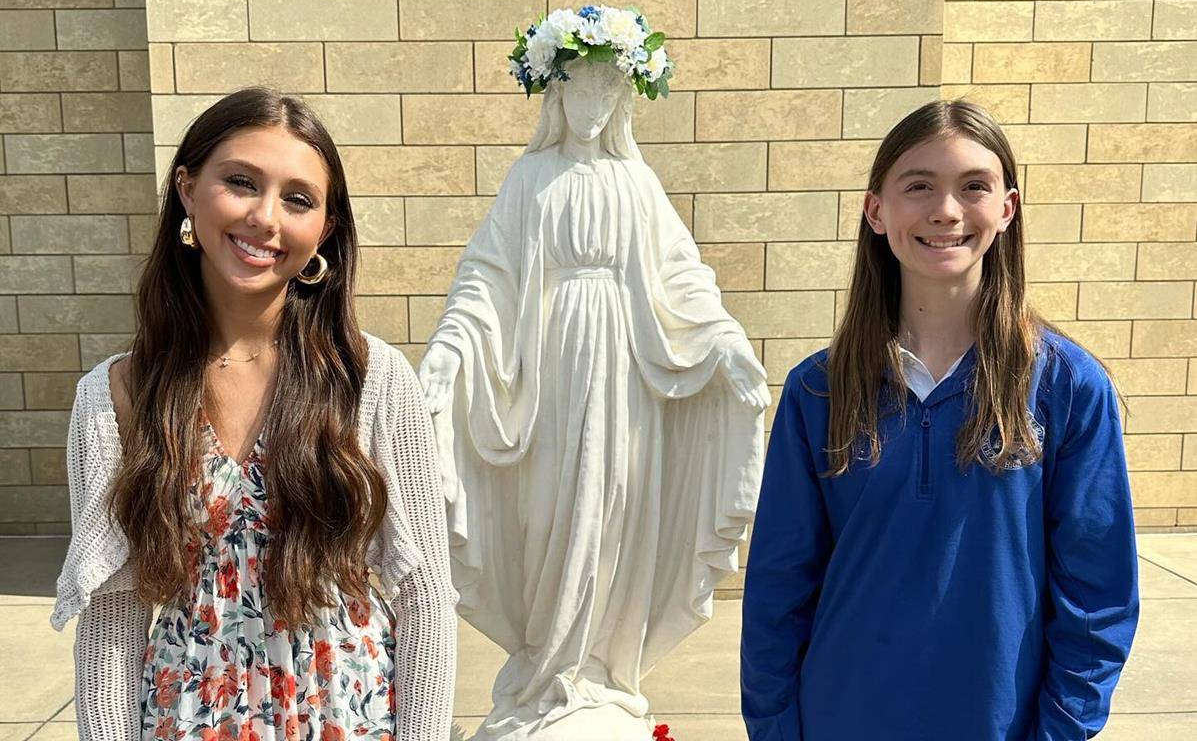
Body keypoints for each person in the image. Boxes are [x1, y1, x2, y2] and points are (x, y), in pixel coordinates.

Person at [50, 87, 457, 740]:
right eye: (240, 182)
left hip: (350, 718)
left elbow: (426, 596)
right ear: (187, 188)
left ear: (324, 229)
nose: (265, 217)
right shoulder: (116, 396)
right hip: (186, 720)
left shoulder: (371, 379)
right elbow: (113, 615)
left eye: (297, 199)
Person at [740, 100, 1139, 740]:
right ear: (877, 210)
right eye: (918, 185)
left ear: (1007, 209)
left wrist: (1062, 730)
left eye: (972, 187)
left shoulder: (1067, 386)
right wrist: (776, 728)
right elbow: (776, 591)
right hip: (840, 718)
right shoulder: (819, 389)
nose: (946, 211)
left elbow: (1098, 597)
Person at [418, 46, 769, 734]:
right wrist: (451, 347)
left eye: (607, 95)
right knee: (551, 510)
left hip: (626, 367)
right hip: (549, 366)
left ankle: (600, 675)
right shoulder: (530, 177)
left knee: (615, 506)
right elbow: (487, 275)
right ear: (556, 97)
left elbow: (681, 274)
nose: (592, 108)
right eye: (580, 92)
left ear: (622, 103)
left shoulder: (636, 183)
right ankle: (546, 669)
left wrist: (724, 341)